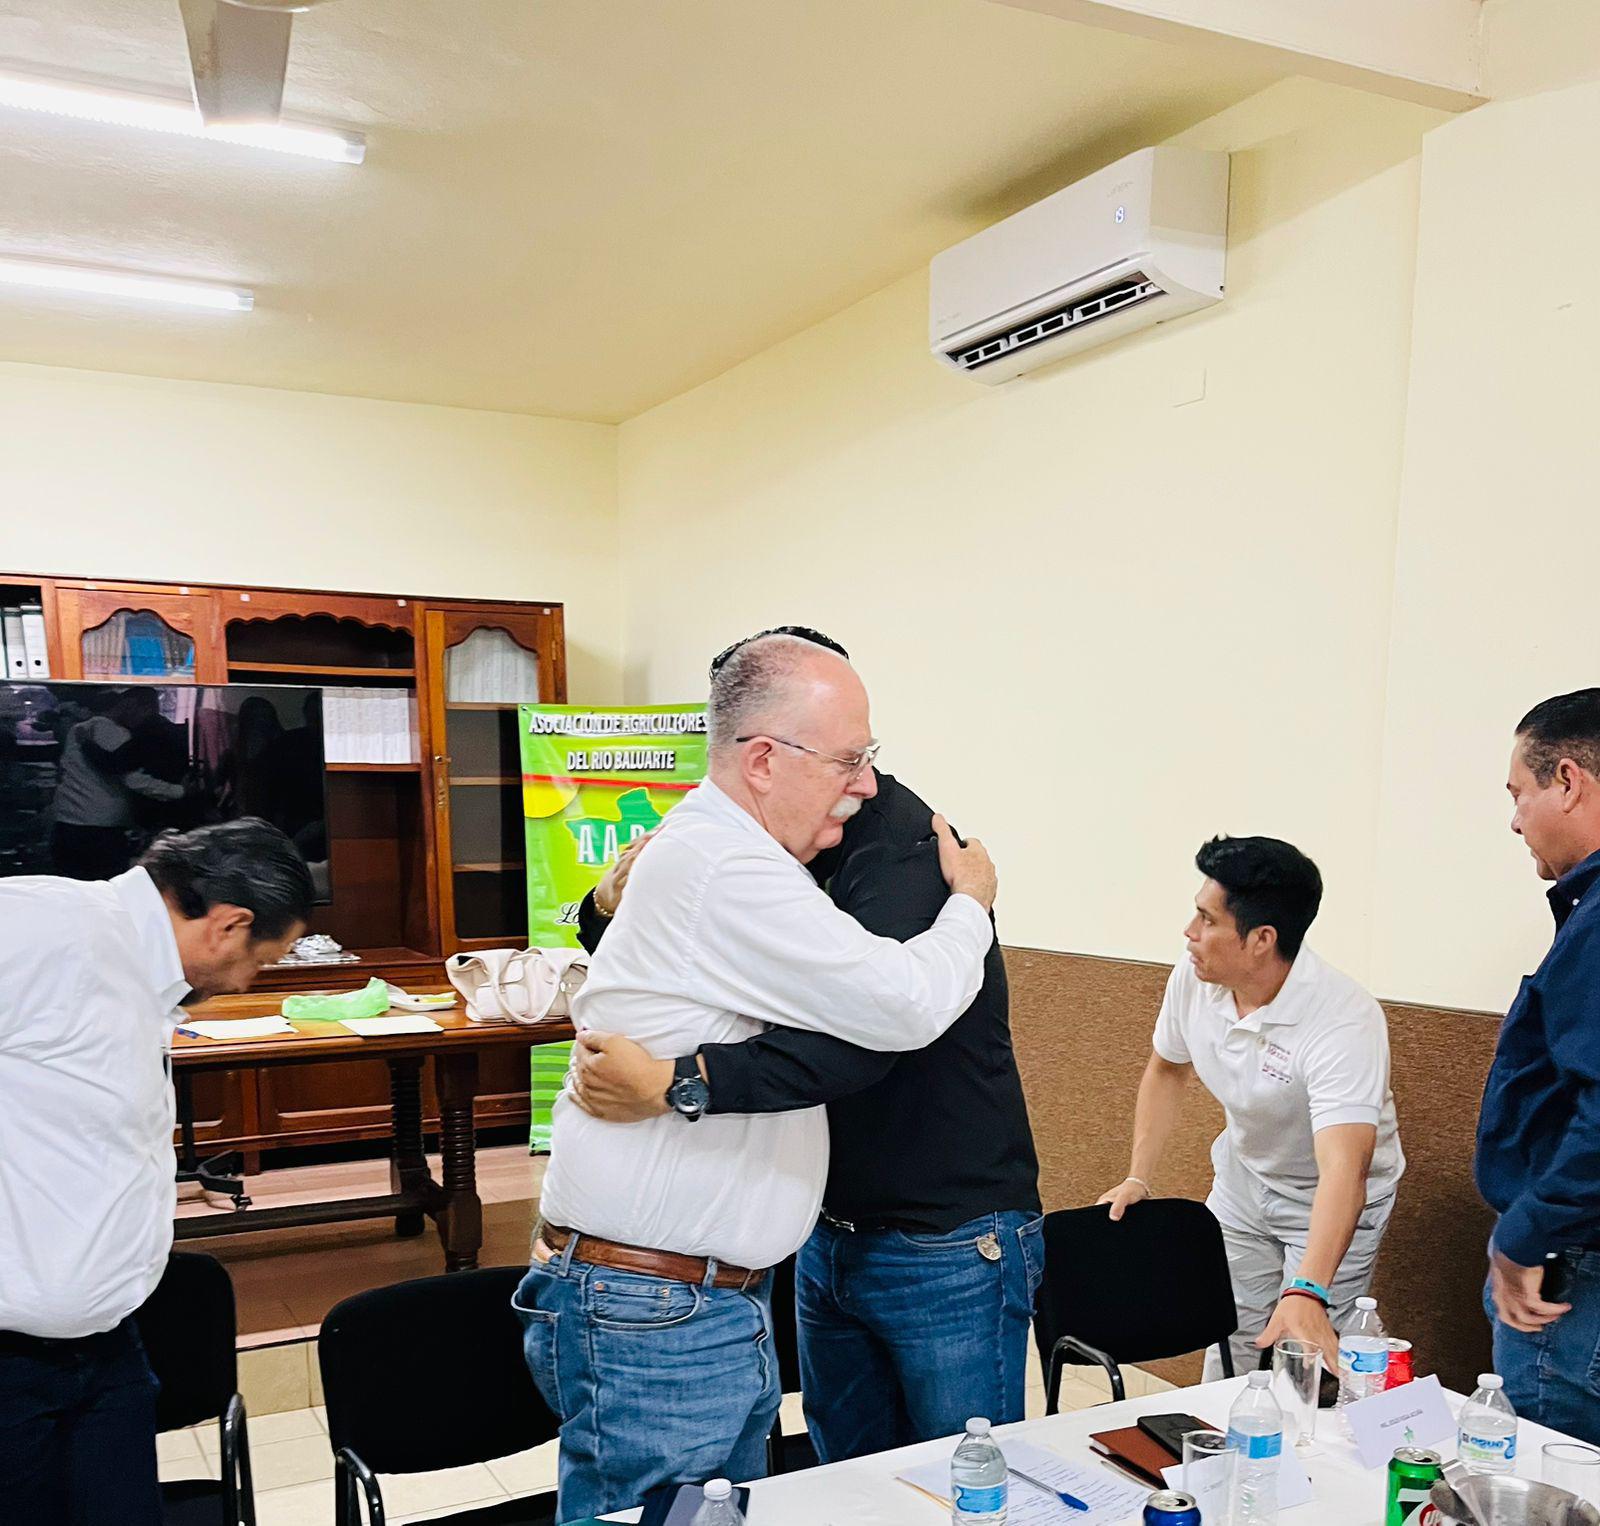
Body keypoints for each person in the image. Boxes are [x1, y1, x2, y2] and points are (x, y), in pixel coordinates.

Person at [512, 633, 999, 1521]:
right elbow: (905, 1004)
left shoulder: (726, 853)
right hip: (659, 1309)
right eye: (848, 760)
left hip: (694, 1301)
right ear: (765, 760)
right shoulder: (726, 866)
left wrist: (681, 1075)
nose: (866, 784)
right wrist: (971, 902)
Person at [0, 819, 314, 1525]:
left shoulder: (144, 977)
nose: (252, 981)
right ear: (229, 925)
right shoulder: (40, 928)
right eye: (265, 960)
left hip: (107, 1345)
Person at [1096, 836, 1404, 1376]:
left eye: (1207, 919)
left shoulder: (1343, 1019)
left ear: (1262, 939)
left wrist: (1308, 1290)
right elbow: (1167, 1068)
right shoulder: (1196, 977)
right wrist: (1138, 1176)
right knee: (1229, 1343)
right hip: (1243, 1185)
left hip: (1324, 1201)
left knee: (1304, 1361)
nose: (1189, 932)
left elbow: (1344, 1168)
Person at [1475, 690, 1600, 1443]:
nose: (1516, 821)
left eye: (1519, 793)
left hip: (1571, 1271)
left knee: (1555, 1475)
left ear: (1568, 781)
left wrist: (1527, 1231)